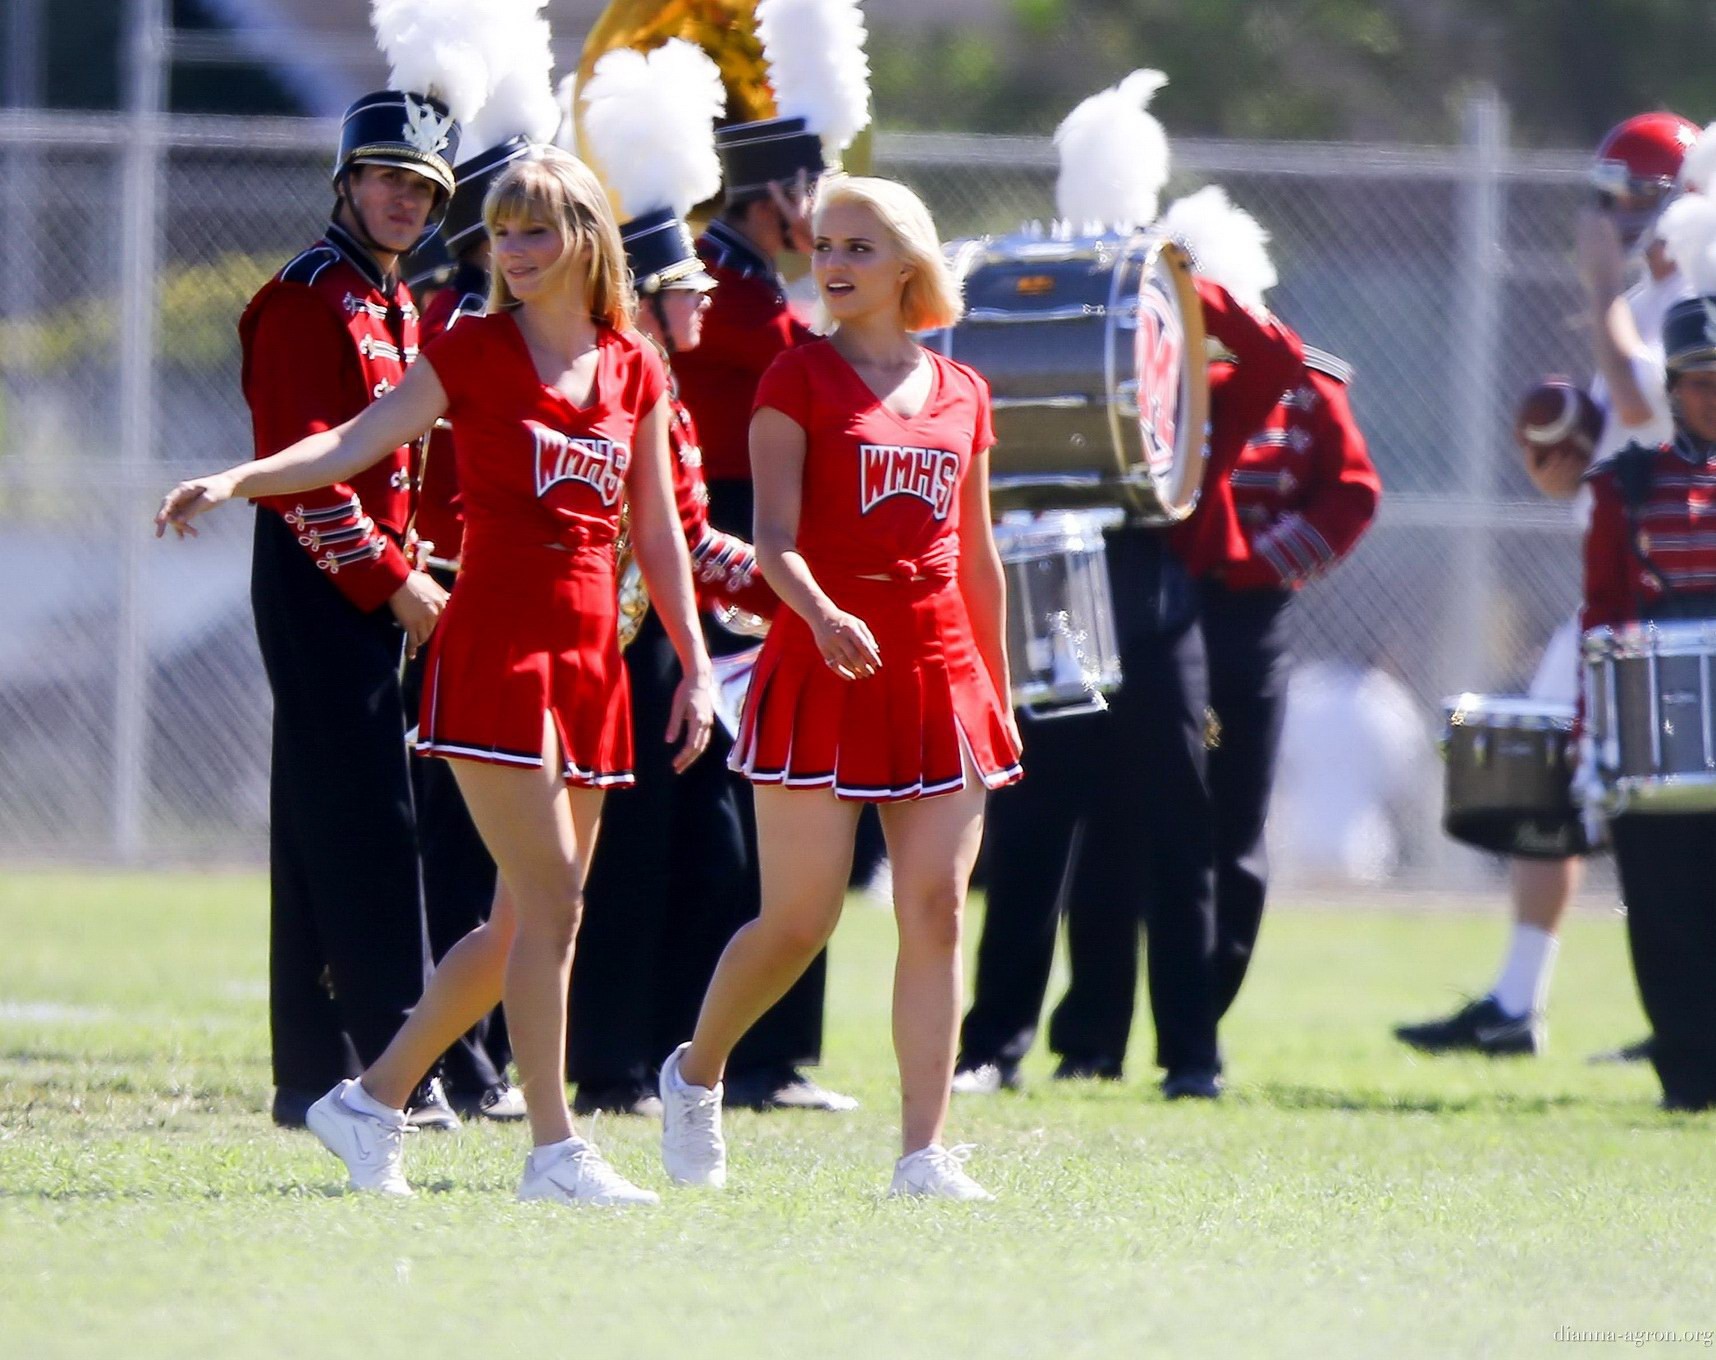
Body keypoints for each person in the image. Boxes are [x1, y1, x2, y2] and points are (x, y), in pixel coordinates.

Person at [160, 147, 714, 1205]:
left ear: (588, 240)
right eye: (502, 231)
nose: (512, 249)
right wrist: (235, 477)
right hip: (495, 649)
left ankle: (369, 1102)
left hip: (594, 655)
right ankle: (556, 1151)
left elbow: (659, 530)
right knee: (552, 903)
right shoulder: (470, 350)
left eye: (536, 229)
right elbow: (347, 442)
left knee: (525, 918)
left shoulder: (635, 364)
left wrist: (696, 664)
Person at [657, 174, 1022, 1201]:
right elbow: (770, 541)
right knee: (798, 920)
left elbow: (978, 556)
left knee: (938, 909)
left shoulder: (964, 392)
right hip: (821, 666)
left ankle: (924, 1153)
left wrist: (994, 689)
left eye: (859, 246)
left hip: (939, 674)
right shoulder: (796, 376)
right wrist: (821, 614)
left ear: (908, 261)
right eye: (824, 245)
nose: (835, 263)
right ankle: (695, 1073)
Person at [1395, 111, 1697, 1059]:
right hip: (1618, 587)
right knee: (1551, 782)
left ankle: (1686, 1013)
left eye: (1621, 202)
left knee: (1680, 810)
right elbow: (1621, 442)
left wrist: (1606, 288)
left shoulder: (1690, 298)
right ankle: (1521, 1000)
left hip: (1684, 596)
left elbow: (1651, 408)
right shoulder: (1651, 304)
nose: (1603, 220)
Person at [564, 41, 787, 1116]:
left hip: (666, 643)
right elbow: (674, 543)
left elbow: (694, 536)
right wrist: (792, 588)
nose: (704, 300)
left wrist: (791, 590)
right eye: (686, 287)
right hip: (613, 645)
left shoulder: (664, 390)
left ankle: (661, 1042)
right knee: (624, 858)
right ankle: (602, 1060)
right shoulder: (627, 388)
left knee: (700, 847)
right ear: (651, 297)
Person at [239, 86, 460, 1132]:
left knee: (320, 819)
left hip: (372, 581)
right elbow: (296, 473)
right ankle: (391, 1067)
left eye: (421, 186)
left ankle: (309, 1070)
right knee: (371, 821)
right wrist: (393, 580)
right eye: (386, 177)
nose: (402, 199)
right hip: (321, 577)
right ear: (346, 181)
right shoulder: (305, 299)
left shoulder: (393, 300)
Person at [665, 112, 855, 1113]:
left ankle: (772, 1056)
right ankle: (722, 1051)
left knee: (777, 813)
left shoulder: (753, 286)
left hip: (757, 538)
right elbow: (797, 359)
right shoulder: (723, 289)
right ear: (775, 192)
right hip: (723, 541)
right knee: (735, 820)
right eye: (810, 186)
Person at [399, 134, 544, 1125]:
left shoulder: (546, 331)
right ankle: (455, 1060)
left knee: (514, 866)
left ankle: (484, 1053)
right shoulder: (453, 322)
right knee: (457, 842)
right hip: (451, 590)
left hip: (521, 602)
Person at [1578, 190, 1716, 1109]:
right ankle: (1687, 1072)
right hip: (1661, 727)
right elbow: (1602, 612)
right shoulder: (1629, 484)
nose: (1713, 392)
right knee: (1664, 907)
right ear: (1673, 387)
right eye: (1700, 378)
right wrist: (1594, 741)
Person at [1199, 348, 1380, 1018]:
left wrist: (1258, 562)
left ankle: (1201, 1019)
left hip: (1248, 610)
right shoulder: (1145, 354)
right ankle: (1094, 1035)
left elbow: (1351, 492)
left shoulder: (1309, 385)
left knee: (1235, 823)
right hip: (1149, 601)